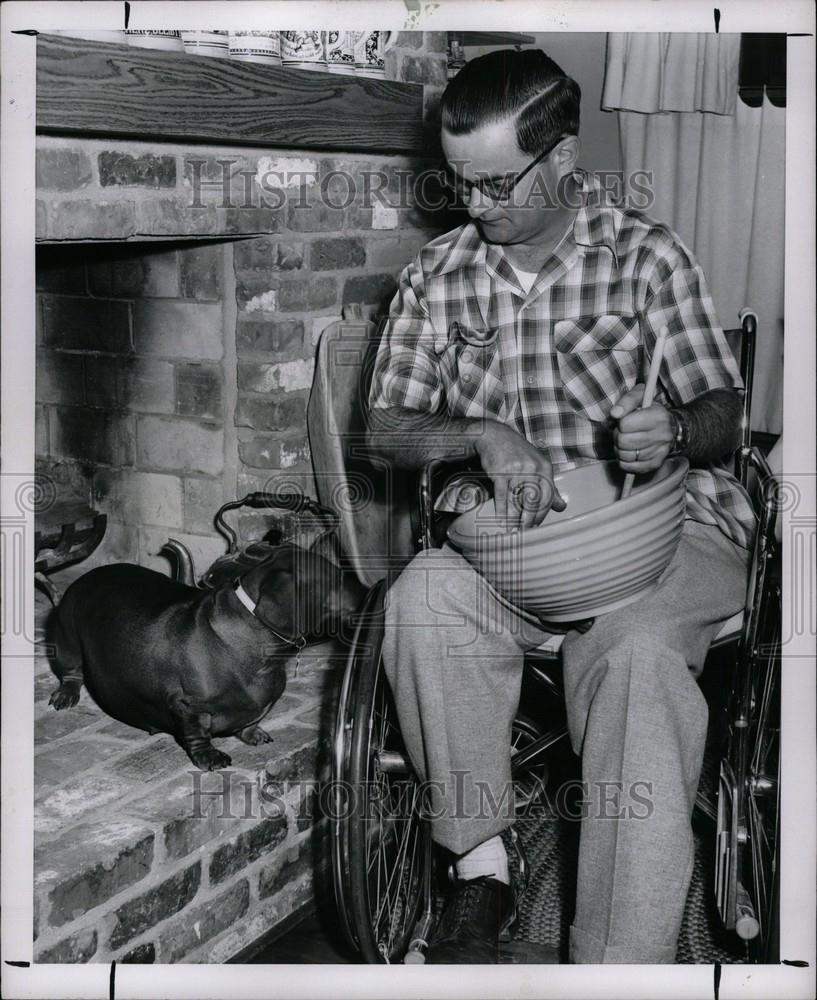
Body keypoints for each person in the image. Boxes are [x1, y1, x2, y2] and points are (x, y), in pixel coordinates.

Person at [365, 48, 756, 964]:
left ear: (564, 159)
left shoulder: (647, 257)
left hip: (665, 534)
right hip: (520, 551)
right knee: (420, 599)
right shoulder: (436, 275)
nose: (473, 204)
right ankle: (482, 869)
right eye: (457, 181)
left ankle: (618, 962)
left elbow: (725, 414)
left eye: (496, 183)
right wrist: (477, 434)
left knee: (635, 655)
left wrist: (674, 424)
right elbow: (384, 429)